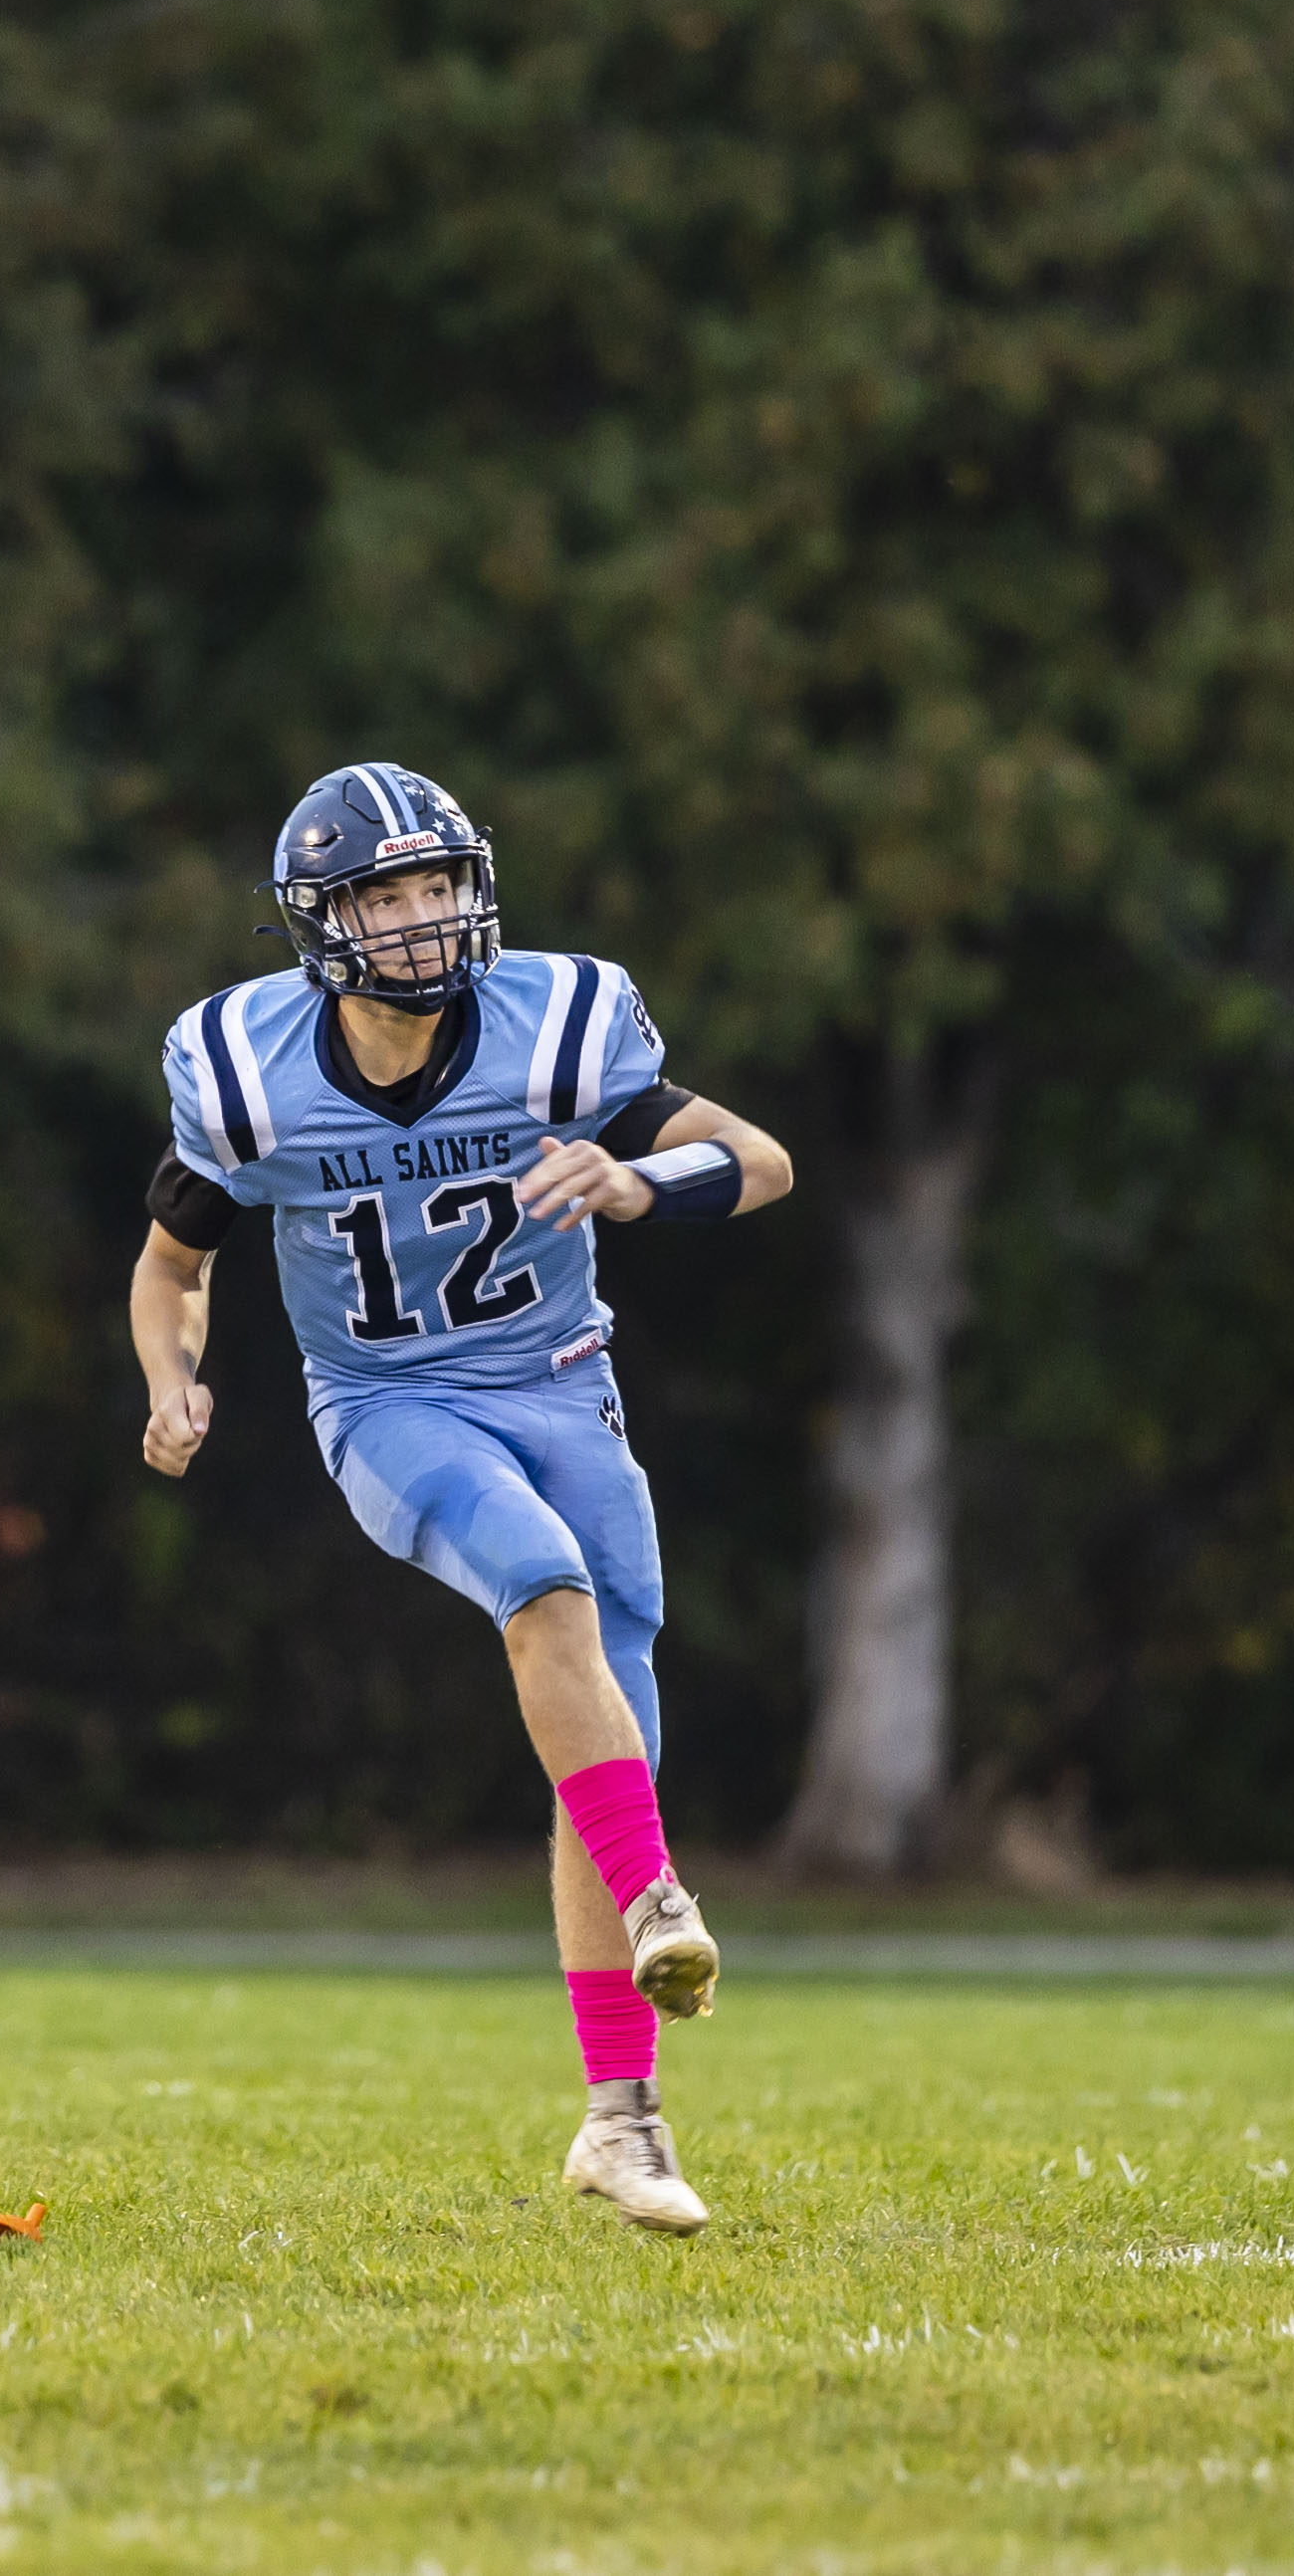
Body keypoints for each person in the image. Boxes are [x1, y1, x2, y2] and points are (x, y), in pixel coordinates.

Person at [133, 763, 793, 2234]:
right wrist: (171, 1379)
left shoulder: (555, 1026)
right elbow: (175, 1262)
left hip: (563, 1391)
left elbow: (761, 1163)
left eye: (440, 885)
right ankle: (661, 1907)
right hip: (388, 1406)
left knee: (603, 1746)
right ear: (323, 921)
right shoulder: (250, 1072)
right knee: (538, 1584)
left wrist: (639, 1188)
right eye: (389, 895)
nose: (427, 919)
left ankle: (622, 2125)